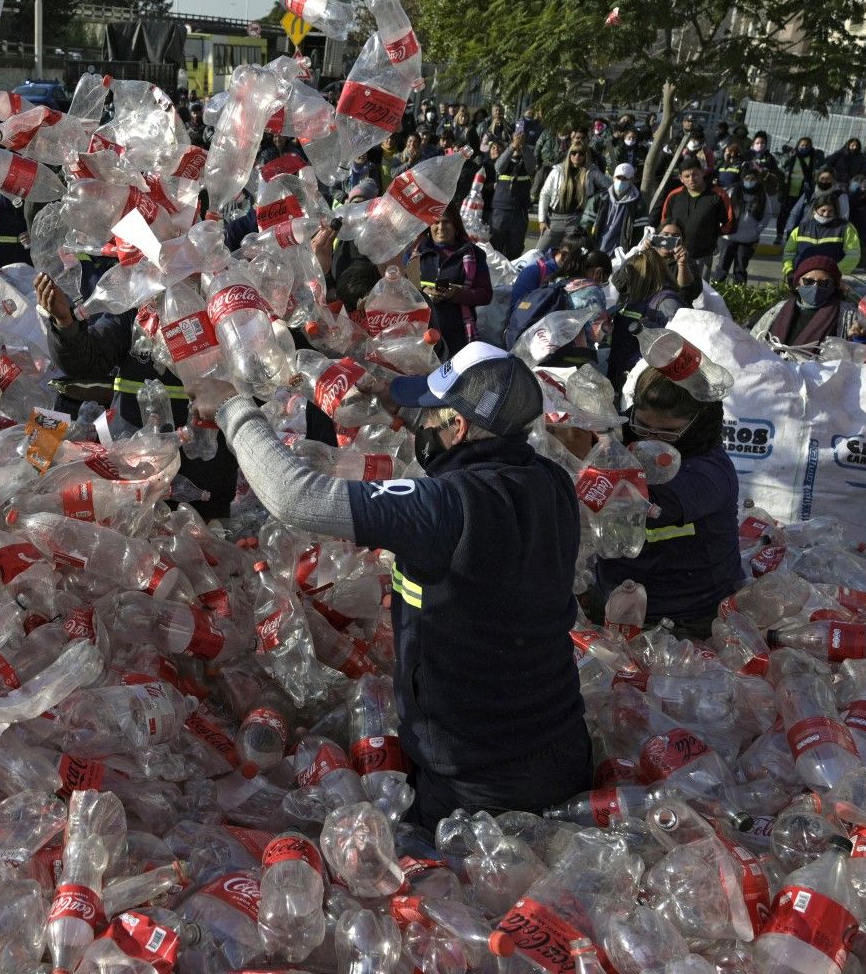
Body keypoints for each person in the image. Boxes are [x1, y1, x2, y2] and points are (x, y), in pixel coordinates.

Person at [215, 342, 588, 826]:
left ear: (457, 427)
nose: (424, 425)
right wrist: (390, 397)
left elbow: (296, 498)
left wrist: (234, 410)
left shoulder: (447, 506)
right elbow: (463, 444)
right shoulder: (550, 481)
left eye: (434, 415)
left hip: (478, 782)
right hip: (559, 747)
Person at [583, 368, 739, 639]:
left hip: (688, 619)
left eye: (668, 433)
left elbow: (638, 506)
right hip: (616, 601)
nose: (650, 441)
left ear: (698, 424)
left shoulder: (709, 473)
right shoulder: (625, 438)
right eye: (643, 426)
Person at [606, 246, 698, 390]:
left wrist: (649, 327)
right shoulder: (635, 297)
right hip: (622, 375)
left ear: (643, 276)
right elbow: (617, 281)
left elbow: (679, 343)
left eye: (632, 273)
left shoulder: (666, 302)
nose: (628, 278)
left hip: (646, 382)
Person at [414, 216, 491, 356]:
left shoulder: (474, 254)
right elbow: (404, 286)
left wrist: (457, 294)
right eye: (436, 222)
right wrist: (423, 291)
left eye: (446, 221)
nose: (441, 227)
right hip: (421, 332)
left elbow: (485, 295)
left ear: (456, 225)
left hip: (457, 335)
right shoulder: (416, 253)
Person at [753, 254, 853, 353]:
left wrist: (861, 338)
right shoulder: (779, 309)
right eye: (808, 281)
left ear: (834, 286)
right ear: (797, 284)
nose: (815, 287)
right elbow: (752, 341)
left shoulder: (847, 314)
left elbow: (859, 351)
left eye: (824, 283)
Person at [658, 157, 733, 270]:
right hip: (674, 256)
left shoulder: (718, 195)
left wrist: (710, 235)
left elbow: (729, 222)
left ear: (702, 173)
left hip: (703, 256)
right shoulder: (674, 195)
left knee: (699, 287)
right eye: (687, 176)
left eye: (695, 174)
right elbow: (664, 221)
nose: (691, 179)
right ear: (681, 178)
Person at [780, 190, 861, 278]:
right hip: (802, 278)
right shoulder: (801, 228)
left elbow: (853, 255)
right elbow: (789, 253)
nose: (826, 214)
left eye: (830, 211)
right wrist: (789, 271)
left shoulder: (845, 228)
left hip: (830, 279)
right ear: (815, 209)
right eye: (823, 210)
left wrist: (834, 271)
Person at [713, 162, 769, 284]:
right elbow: (721, 209)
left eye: (753, 179)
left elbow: (767, 215)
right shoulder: (732, 191)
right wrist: (722, 227)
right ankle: (716, 289)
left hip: (748, 239)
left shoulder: (762, 195)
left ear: (757, 180)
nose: (750, 181)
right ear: (742, 179)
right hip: (728, 237)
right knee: (722, 266)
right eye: (747, 178)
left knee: (740, 268)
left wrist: (757, 230)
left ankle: (738, 293)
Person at [487, 130, 535, 259]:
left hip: (520, 212)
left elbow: (531, 165)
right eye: (516, 141)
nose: (518, 145)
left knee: (515, 249)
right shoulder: (503, 160)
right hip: (501, 211)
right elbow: (498, 167)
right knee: (495, 247)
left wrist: (523, 145)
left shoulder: (527, 161)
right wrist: (513, 145)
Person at [583, 162, 648, 255]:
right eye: (618, 177)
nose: (621, 181)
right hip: (596, 249)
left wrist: (632, 253)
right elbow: (585, 225)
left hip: (622, 254)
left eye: (625, 179)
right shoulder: (599, 198)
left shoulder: (638, 204)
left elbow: (639, 233)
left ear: (631, 180)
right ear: (613, 177)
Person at [780, 136, 820, 229]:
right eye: (802, 145)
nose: (804, 147)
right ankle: (780, 234)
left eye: (807, 145)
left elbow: (815, 171)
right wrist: (788, 155)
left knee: (797, 214)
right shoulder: (792, 156)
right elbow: (782, 165)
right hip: (788, 189)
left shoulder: (813, 158)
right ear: (798, 145)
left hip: (803, 191)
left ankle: (791, 234)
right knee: (784, 214)